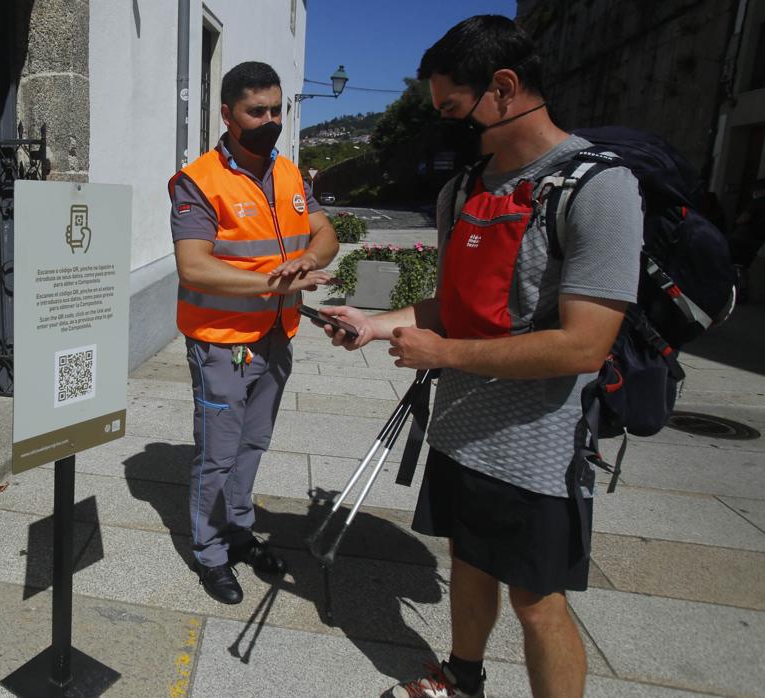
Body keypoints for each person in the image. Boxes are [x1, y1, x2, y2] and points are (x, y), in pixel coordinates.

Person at [318, 16, 642, 697]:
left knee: (536, 600)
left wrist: (444, 352)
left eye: (453, 109)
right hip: (461, 430)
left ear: (504, 87)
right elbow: (453, 307)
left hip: (538, 445)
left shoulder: (596, 188)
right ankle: (459, 678)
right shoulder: (462, 190)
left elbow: (586, 343)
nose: (446, 124)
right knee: (467, 562)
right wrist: (377, 326)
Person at [170, 60, 339, 605]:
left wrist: (309, 257)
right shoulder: (198, 181)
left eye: (276, 109)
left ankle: (239, 532)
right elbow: (194, 267)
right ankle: (210, 552)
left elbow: (326, 233)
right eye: (255, 111)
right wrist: (274, 280)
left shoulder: (289, 173)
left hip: (275, 335)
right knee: (217, 454)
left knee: (252, 444)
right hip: (222, 342)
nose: (269, 120)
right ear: (227, 113)